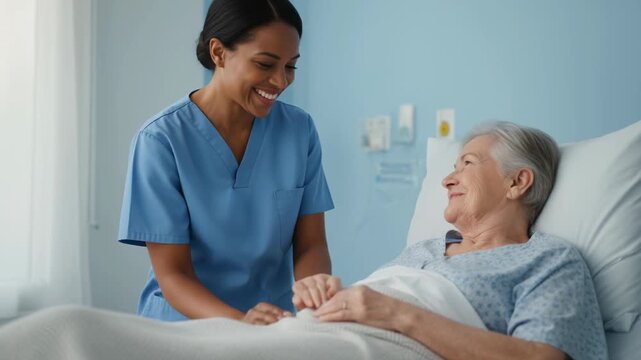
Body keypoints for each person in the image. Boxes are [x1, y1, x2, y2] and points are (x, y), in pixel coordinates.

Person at [291, 121, 607, 359]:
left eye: (467, 164)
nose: (446, 180)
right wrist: (322, 295)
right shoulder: (422, 250)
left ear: (517, 181)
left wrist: (398, 314)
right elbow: (368, 304)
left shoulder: (549, 260)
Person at [118, 0, 334, 323]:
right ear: (218, 53)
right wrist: (238, 322)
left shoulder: (299, 132)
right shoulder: (161, 142)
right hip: (183, 328)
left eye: (290, 66)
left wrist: (312, 298)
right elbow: (174, 276)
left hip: (272, 326)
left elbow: (311, 244)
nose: (280, 81)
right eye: (265, 64)